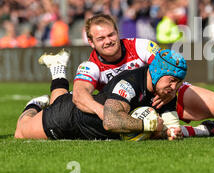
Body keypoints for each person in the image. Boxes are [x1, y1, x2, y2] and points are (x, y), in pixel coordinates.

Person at [39, 14, 214, 136]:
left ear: (117, 31)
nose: (109, 40)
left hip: (167, 96)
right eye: (101, 38)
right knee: (59, 104)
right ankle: (58, 71)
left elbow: (167, 70)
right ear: (91, 42)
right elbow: (80, 97)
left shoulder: (139, 46)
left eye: (111, 34)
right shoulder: (90, 66)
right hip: (134, 108)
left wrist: (172, 92)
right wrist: (108, 116)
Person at [14, 50, 187, 140]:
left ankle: (57, 70)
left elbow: (170, 126)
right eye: (171, 80)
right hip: (70, 119)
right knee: (21, 131)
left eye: (179, 82)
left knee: (59, 99)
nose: (174, 87)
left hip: (87, 123)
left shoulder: (165, 90)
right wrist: (148, 125)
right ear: (156, 72)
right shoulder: (129, 83)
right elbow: (111, 121)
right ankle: (34, 104)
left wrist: (171, 131)